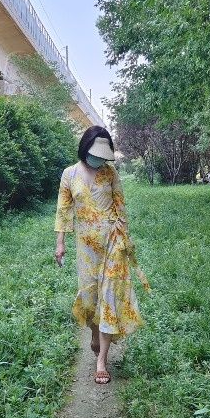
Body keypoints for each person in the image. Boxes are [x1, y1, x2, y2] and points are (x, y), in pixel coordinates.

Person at [54, 126, 149, 385]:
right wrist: (60, 243)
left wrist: (125, 240)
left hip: (112, 243)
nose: (98, 160)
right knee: (90, 299)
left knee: (108, 298)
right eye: (95, 154)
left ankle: (102, 361)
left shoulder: (110, 173)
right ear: (85, 148)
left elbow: (120, 207)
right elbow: (63, 211)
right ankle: (94, 334)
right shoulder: (69, 174)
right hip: (85, 248)